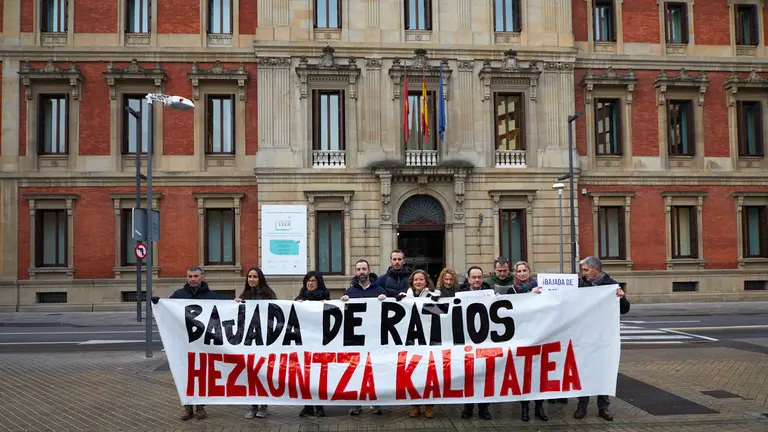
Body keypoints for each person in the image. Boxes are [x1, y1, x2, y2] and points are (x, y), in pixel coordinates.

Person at [573, 256, 630, 422]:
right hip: (585, 335)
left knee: (603, 370)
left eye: (585, 270)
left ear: (595, 270)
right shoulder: (581, 283)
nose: (582, 273)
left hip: (604, 336)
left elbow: (624, 310)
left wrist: (622, 297)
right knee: (584, 369)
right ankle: (581, 405)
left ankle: (603, 407)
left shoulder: (611, 285)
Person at [171, 266, 218, 421]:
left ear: (202, 277)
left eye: (196, 276)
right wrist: (157, 303)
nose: (192, 279)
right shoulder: (178, 295)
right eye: (190, 276)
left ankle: (200, 407)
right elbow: (167, 311)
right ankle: (187, 407)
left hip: (203, 344)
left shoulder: (212, 296)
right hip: (183, 343)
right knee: (184, 375)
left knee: (202, 375)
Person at [343, 259, 387, 415]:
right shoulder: (349, 292)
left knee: (374, 371)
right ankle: (357, 403)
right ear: (356, 272)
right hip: (356, 339)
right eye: (358, 269)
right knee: (357, 371)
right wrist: (344, 303)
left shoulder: (379, 290)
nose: (361, 272)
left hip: (374, 338)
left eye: (364, 269)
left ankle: (375, 402)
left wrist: (385, 300)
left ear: (369, 270)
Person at [506, 261, 549, 422]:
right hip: (521, 337)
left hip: (540, 335)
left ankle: (539, 407)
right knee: (524, 374)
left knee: (540, 373)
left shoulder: (542, 288)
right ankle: (525, 408)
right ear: (515, 274)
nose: (523, 273)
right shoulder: (512, 290)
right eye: (519, 271)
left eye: (525, 270)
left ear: (529, 271)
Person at [235, 266, 276, 420]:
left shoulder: (269, 295)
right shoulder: (244, 295)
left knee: (263, 373)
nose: (251, 279)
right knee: (250, 374)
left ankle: (263, 405)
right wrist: (236, 304)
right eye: (249, 277)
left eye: (254, 277)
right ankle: (252, 405)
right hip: (249, 341)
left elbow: (276, 315)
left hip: (264, 341)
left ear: (260, 279)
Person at [403, 269, 440, 418]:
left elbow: (440, 317)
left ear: (426, 282)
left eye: (421, 280)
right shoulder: (406, 297)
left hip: (429, 342)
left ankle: (429, 405)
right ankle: (415, 405)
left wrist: (437, 303)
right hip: (413, 342)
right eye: (416, 280)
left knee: (429, 374)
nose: (418, 282)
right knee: (414, 375)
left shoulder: (434, 296)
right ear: (412, 282)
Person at [458, 266, 493, 420]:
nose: (477, 280)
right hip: (466, 340)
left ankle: (484, 408)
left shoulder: (490, 292)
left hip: (485, 340)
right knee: (468, 376)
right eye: (474, 277)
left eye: (479, 277)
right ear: (468, 279)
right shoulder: (459, 294)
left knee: (484, 376)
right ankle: (468, 407)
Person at [294, 271, 330, 417]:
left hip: (320, 343)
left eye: (313, 281)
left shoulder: (326, 298)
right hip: (304, 343)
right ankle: (307, 405)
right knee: (306, 375)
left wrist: (327, 306)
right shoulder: (299, 298)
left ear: (318, 282)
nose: (310, 283)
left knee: (318, 375)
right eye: (308, 280)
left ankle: (319, 405)